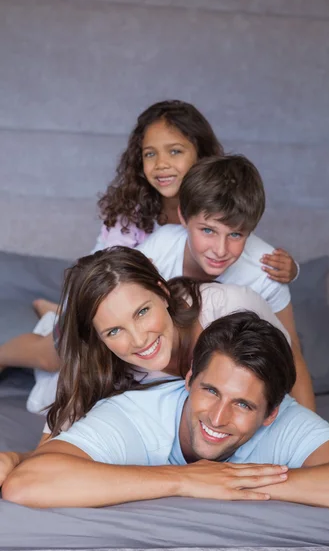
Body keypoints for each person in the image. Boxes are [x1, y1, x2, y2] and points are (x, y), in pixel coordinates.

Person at [0, 100, 297, 375]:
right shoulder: (133, 218)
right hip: (108, 296)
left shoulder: (218, 212)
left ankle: (51, 310)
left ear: (203, 158)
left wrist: (292, 268)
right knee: (57, 356)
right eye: (150, 154)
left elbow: (243, 245)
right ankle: (14, 346)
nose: (162, 163)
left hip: (162, 317)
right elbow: (104, 280)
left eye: (175, 151)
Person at [3, 310, 329, 513]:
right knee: (51, 354)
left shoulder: (287, 420)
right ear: (188, 378)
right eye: (210, 390)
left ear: (270, 414)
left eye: (243, 404)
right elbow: (28, 484)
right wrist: (184, 480)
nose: (217, 417)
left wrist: (234, 481)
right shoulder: (134, 414)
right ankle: (47, 317)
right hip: (55, 379)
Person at [0, 247, 290, 483]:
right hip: (61, 357)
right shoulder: (99, 366)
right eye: (114, 330)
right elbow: (50, 456)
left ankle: (54, 313)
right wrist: (16, 459)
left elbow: (288, 368)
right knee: (51, 356)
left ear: (163, 293)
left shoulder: (232, 307)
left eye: (142, 312)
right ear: (100, 339)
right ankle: (36, 328)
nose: (139, 340)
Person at [136, 154, 315, 410]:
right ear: (184, 218)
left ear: (250, 230)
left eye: (235, 234)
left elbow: (292, 351)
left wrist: (310, 432)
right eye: (208, 230)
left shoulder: (265, 270)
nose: (220, 250)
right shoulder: (160, 248)